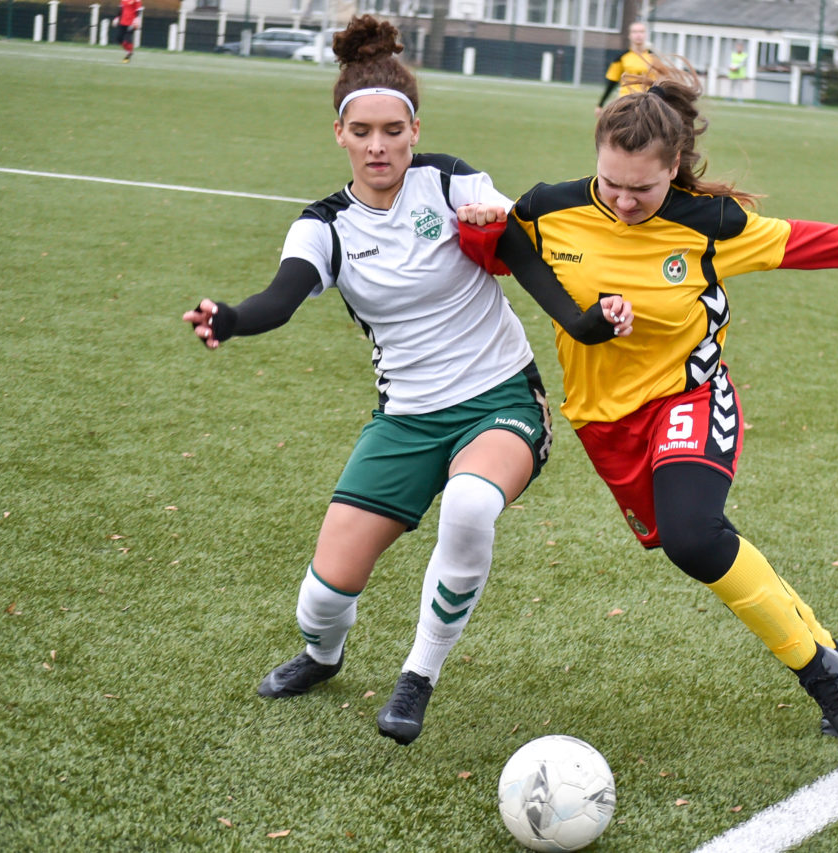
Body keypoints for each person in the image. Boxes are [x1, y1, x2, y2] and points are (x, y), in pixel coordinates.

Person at [456, 64, 838, 743]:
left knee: (694, 537)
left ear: (674, 169)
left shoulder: (712, 224)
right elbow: (501, 259)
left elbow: (814, 244)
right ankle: (829, 648)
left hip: (688, 397)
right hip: (604, 420)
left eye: (642, 189)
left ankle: (821, 673)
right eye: (611, 184)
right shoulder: (549, 208)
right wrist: (480, 226)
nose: (624, 202)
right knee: (683, 540)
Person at [181, 15, 631, 748]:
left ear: (414, 130)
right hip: (407, 419)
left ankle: (418, 675)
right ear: (339, 134)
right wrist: (230, 318)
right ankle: (323, 657)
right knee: (321, 599)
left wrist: (585, 322)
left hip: (499, 399)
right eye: (362, 131)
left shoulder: (452, 182)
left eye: (393, 130)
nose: (378, 145)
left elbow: (524, 256)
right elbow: (281, 297)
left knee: (470, 504)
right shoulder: (325, 225)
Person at [596, 21, 659, 116]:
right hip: (625, 101)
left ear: (646, 35)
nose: (638, 35)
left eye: (641, 32)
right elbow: (612, 82)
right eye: (635, 32)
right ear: (630, 35)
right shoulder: (621, 57)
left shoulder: (654, 58)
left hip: (646, 103)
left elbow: (657, 83)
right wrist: (600, 104)